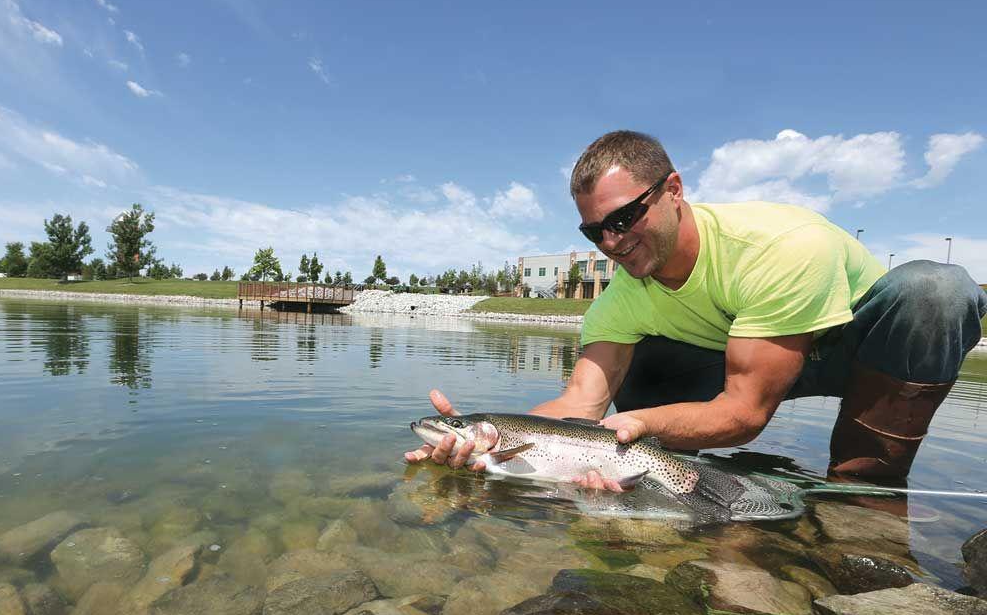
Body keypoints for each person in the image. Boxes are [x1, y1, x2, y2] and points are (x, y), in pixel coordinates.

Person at [406, 130, 987, 490]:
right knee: (643, 365)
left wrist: (640, 427)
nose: (611, 242)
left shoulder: (781, 245)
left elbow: (746, 412)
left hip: (853, 352)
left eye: (624, 218)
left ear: (674, 189)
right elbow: (578, 404)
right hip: (745, 355)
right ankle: (669, 481)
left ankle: (863, 490)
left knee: (935, 291)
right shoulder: (618, 300)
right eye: (594, 232)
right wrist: (482, 434)